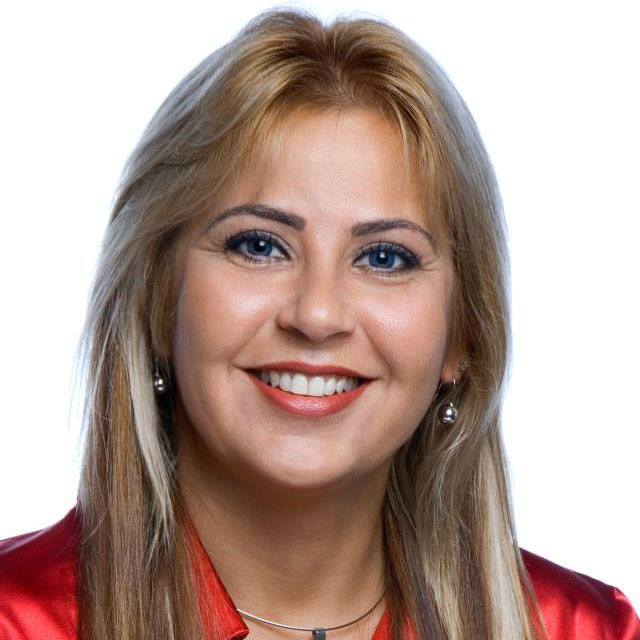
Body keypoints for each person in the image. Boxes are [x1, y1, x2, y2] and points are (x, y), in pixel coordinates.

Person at [0, 7, 638, 640]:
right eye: (259, 246)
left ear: (464, 333)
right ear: (158, 300)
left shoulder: (584, 630)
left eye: (384, 258)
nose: (317, 314)